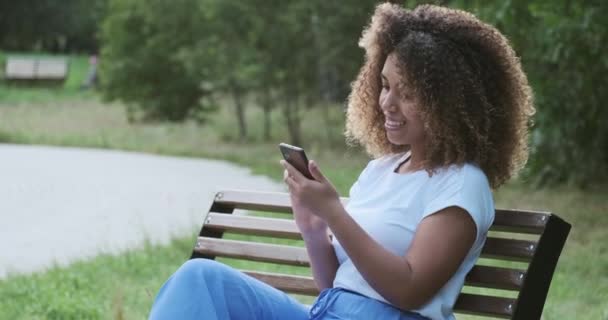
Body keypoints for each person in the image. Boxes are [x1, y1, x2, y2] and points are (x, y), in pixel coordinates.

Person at [148, 3, 534, 320]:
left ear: (449, 104)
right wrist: (315, 230)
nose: (387, 103)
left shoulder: (462, 184)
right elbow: (336, 284)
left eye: (408, 93)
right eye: (384, 85)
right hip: (328, 312)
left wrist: (335, 214)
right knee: (200, 279)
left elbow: (410, 289)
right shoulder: (380, 171)